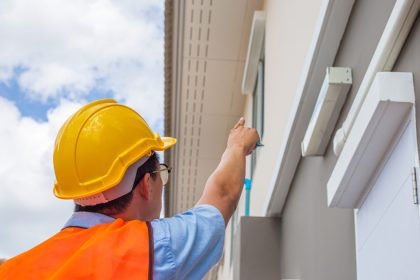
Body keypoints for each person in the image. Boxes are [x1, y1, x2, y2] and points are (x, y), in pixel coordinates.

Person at [0, 99, 259, 279]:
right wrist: (236, 147)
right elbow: (222, 196)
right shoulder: (151, 249)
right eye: (161, 175)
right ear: (146, 184)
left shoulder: (13, 270)